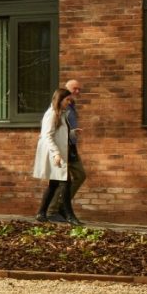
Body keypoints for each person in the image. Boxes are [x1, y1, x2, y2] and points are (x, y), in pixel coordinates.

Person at [32, 86, 73, 223]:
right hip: (53, 153)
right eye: (67, 99)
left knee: (54, 184)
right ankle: (69, 216)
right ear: (60, 99)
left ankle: (41, 213)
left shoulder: (60, 113)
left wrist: (72, 133)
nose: (69, 102)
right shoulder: (51, 114)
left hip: (58, 153)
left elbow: (58, 133)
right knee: (65, 182)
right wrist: (56, 154)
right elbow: (47, 136)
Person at [63, 78, 87, 223]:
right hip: (63, 146)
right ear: (67, 90)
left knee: (80, 175)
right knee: (61, 181)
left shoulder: (72, 105)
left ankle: (60, 206)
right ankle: (55, 210)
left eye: (79, 89)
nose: (77, 92)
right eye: (75, 89)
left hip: (72, 145)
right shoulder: (62, 106)